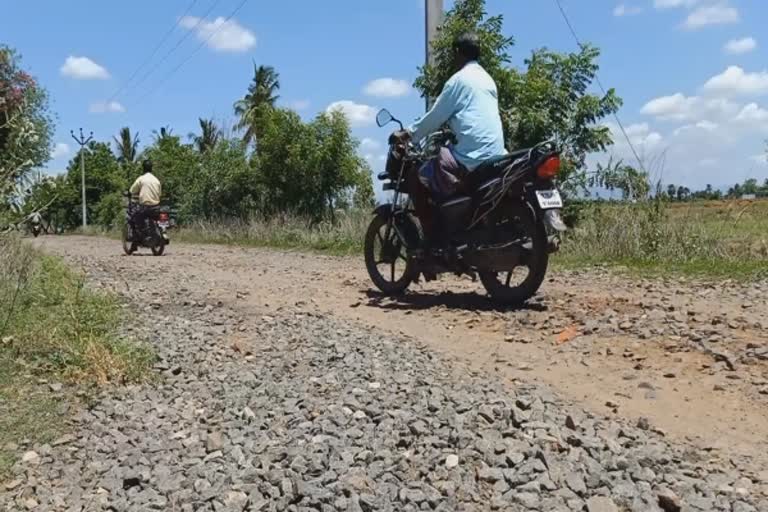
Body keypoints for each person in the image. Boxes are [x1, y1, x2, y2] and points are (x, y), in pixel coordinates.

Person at [392, 32, 507, 247]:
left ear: (458, 53)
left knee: (418, 176)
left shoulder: (458, 81)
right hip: (498, 156)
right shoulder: (487, 79)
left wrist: (408, 134)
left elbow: (436, 116)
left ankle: (431, 240)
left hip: (472, 156)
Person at [129, 159, 162, 235]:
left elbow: (132, 190)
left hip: (145, 207)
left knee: (135, 219)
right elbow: (159, 194)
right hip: (156, 207)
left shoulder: (141, 179)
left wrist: (132, 193)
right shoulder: (156, 180)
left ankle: (135, 242)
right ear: (151, 168)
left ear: (143, 168)